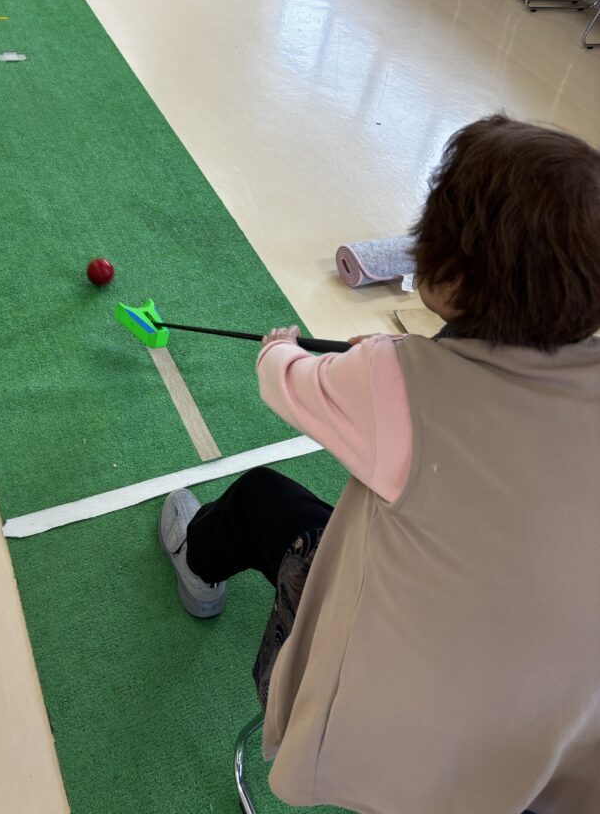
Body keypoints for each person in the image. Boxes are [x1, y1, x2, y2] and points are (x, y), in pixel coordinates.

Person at [158, 114, 600, 814]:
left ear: (449, 278)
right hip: (551, 770)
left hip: (389, 740)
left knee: (263, 499)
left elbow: (281, 377)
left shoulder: (394, 380)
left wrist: (280, 345)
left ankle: (196, 562)